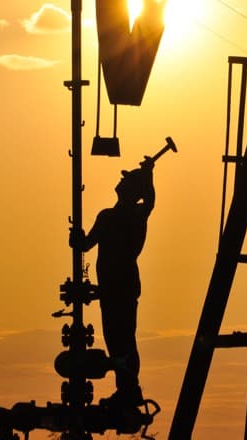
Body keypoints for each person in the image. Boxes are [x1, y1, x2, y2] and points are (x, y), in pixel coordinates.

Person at [70, 156, 155, 407]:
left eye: (126, 179)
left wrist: (149, 174)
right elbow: (85, 244)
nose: (120, 180)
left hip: (123, 286)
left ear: (132, 191)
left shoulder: (136, 215)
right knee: (115, 339)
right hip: (110, 288)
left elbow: (150, 199)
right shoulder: (106, 216)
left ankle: (130, 390)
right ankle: (126, 389)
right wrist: (76, 239)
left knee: (124, 338)